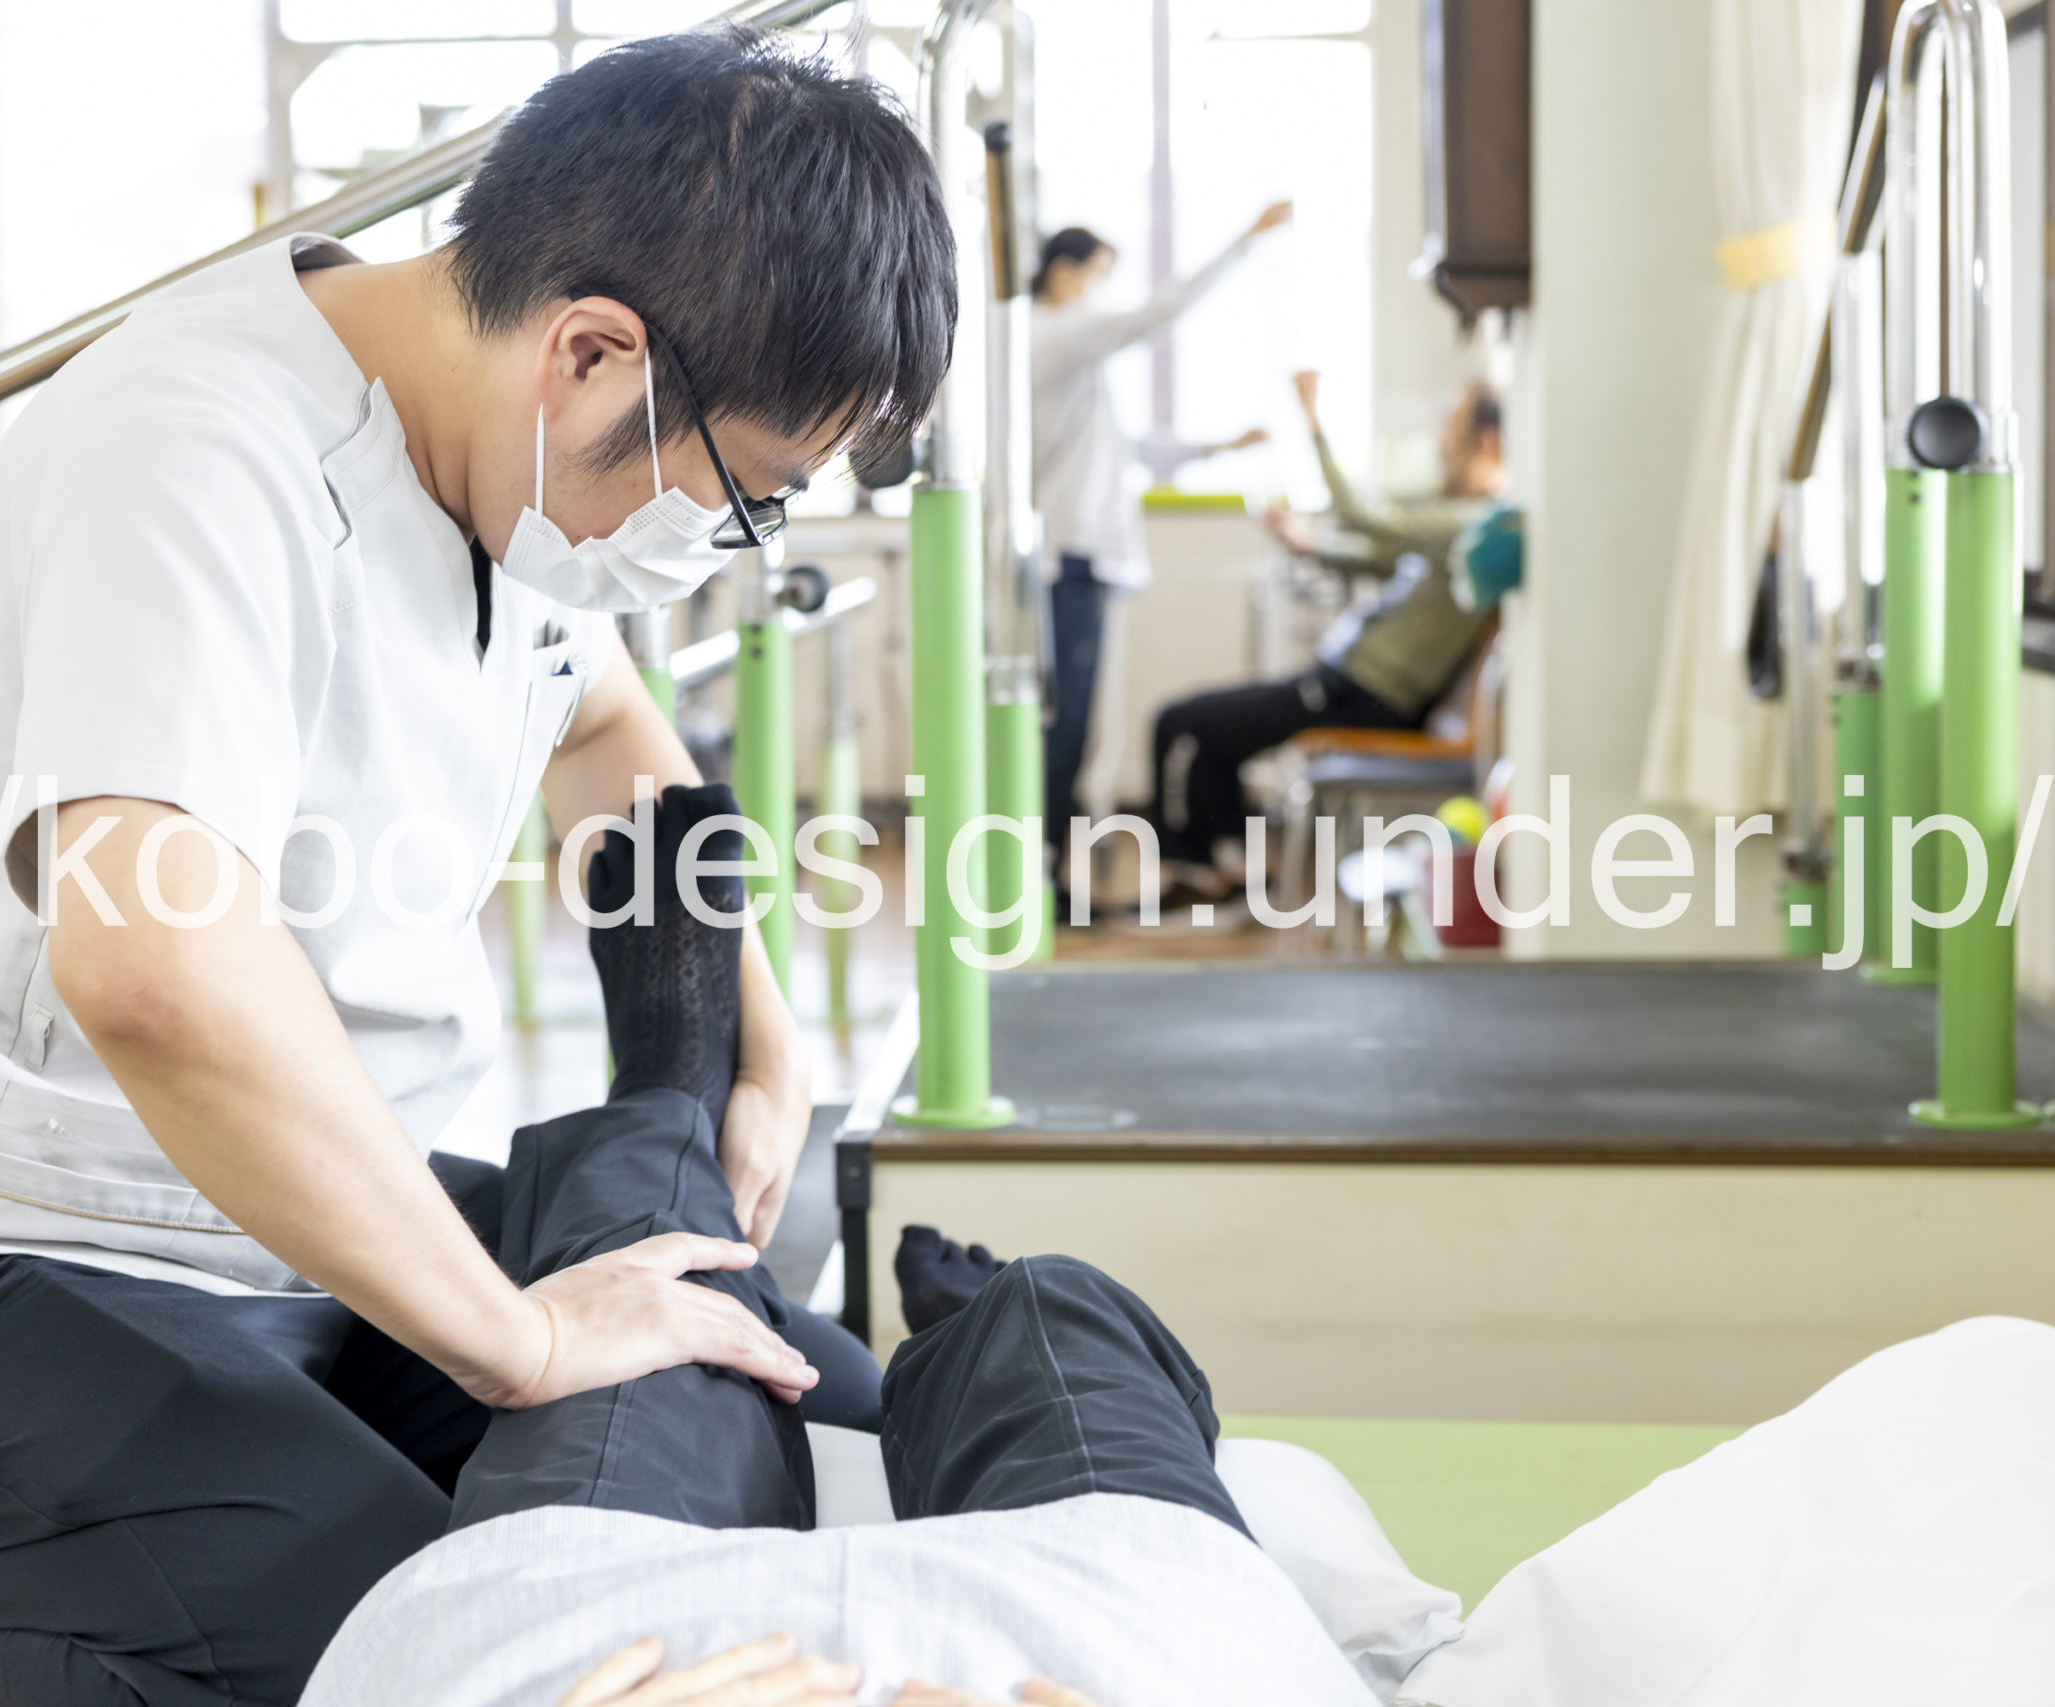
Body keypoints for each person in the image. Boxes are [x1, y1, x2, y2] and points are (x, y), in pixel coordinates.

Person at [0, 28, 955, 1707]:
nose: (729, 541)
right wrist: (521, 1339)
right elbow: (156, 970)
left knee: (822, 1432)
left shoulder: (512, 464)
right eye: (748, 490)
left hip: (305, 1225)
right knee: (464, 1656)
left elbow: (610, 740)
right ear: (592, 351)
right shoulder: (199, 447)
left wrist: (758, 1025)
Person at [282, 802, 1367, 1707]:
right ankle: (979, 1335)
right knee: (1061, 1307)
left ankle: (669, 1085)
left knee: (657, 1296)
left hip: (622, 1638)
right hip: (1106, 1633)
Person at [1150, 370, 1505, 897]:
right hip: (1344, 684)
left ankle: (1200, 875)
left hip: (1361, 696)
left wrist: (1312, 420)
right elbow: (1379, 556)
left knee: (1182, 723)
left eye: (1448, 428)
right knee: (1200, 727)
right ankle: (1226, 869)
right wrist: (1309, 544)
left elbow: (1362, 518)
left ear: (1487, 441)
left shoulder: (1474, 522)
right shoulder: (1456, 521)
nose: (1438, 442)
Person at [1031, 210, 1288, 904]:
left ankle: (1052, 875)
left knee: (1075, 732)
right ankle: (1044, 880)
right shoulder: (1051, 335)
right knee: (1063, 732)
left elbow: (1129, 447)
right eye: (1097, 277)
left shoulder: (1065, 353)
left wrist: (1220, 448)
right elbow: (1156, 315)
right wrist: (1244, 240)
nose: (1101, 294)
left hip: (1083, 562)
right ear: (1062, 272)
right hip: (1067, 561)